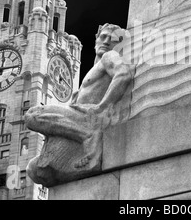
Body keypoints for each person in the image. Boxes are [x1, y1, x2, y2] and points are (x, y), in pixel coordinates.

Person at [25, 23, 132, 184]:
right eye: (103, 37)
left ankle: (88, 134)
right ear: (96, 39)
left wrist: (103, 107)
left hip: (90, 118)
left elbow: (123, 74)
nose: (106, 41)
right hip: (78, 120)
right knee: (34, 169)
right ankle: (84, 136)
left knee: (33, 115)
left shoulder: (109, 57)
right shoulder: (95, 67)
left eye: (113, 39)